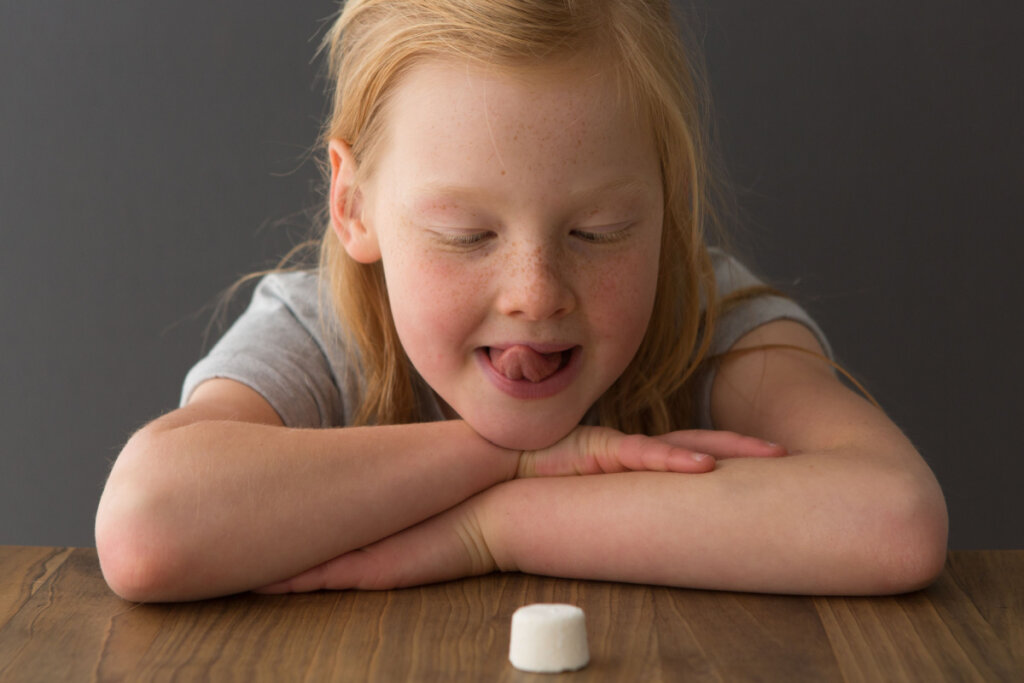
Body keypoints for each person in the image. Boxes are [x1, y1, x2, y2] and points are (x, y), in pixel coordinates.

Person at [95, 0, 948, 603]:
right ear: (353, 205)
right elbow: (146, 525)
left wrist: (495, 528)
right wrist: (512, 455)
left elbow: (893, 518)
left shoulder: (710, 323)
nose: (536, 296)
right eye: (467, 234)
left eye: (602, 230)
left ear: (669, 203)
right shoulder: (321, 333)